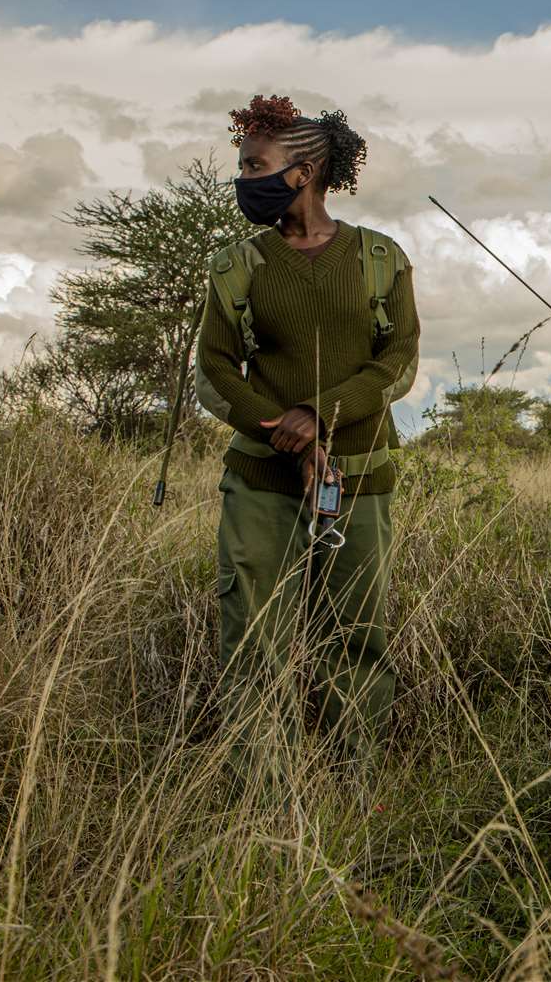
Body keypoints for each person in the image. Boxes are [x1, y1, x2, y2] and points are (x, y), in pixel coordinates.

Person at [194, 94, 419, 787]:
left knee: (357, 638)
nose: (243, 178)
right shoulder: (237, 265)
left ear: (306, 170)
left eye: (255, 165)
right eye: (242, 164)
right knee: (253, 638)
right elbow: (212, 370)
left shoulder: (379, 259)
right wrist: (280, 430)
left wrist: (320, 415)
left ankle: (357, 785)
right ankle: (262, 791)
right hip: (261, 482)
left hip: (359, 481)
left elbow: (400, 360)